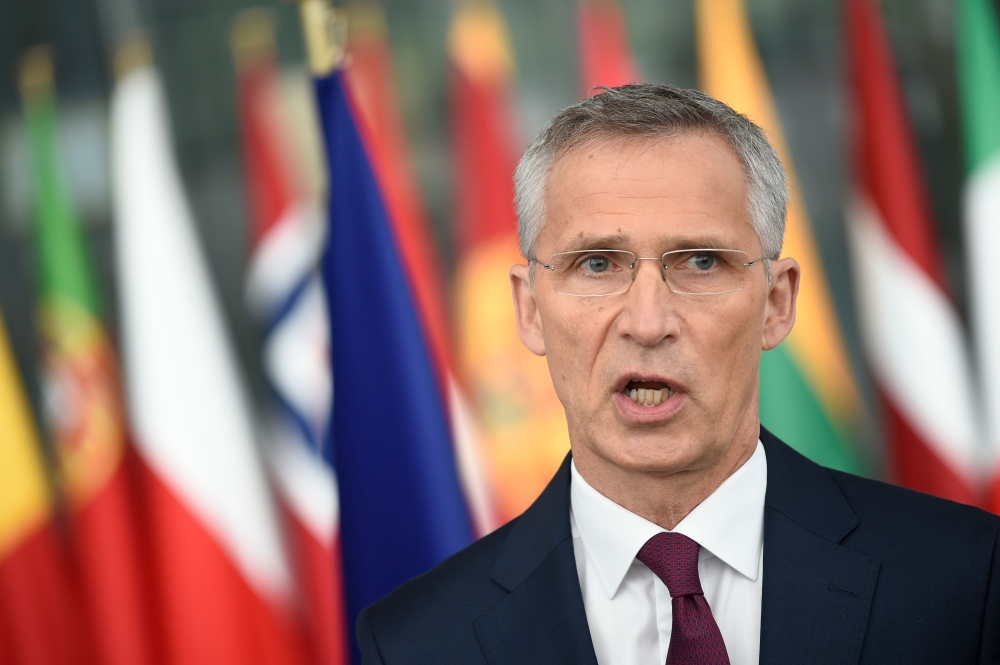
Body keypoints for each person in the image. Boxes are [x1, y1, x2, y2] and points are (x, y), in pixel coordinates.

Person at [355, 84, 1000, 665]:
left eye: (700, 262)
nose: (647, 322)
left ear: (777, 303)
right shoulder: (414, 643)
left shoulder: (967, 580)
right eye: (597, 264)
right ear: (529, 310)